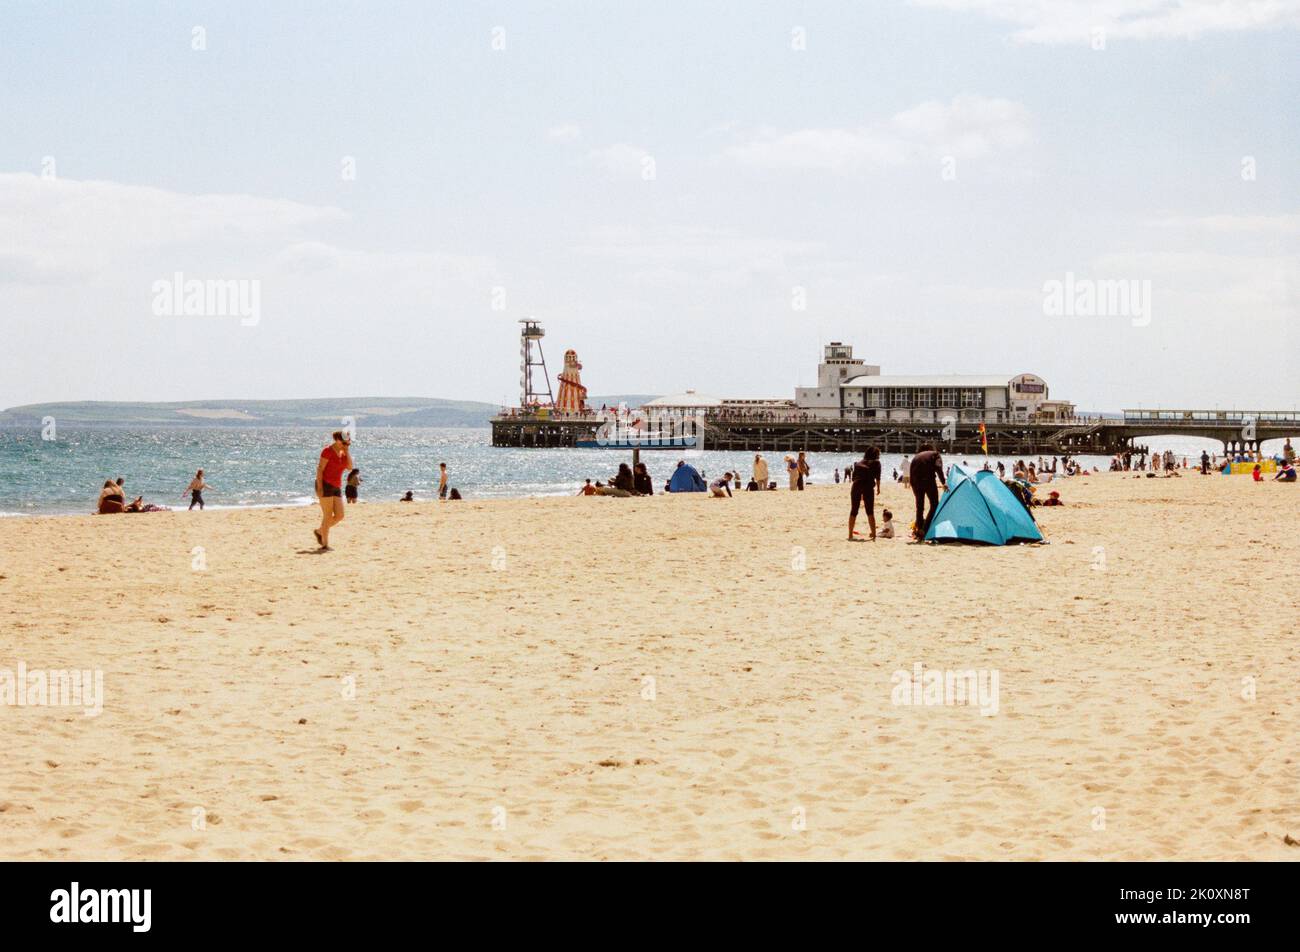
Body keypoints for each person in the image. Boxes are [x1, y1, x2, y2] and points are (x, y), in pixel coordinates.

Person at [315, 430, 353, 550]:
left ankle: (320, 531)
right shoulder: (327, 451)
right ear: (337, 440)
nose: (346, 445)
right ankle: (325, 544)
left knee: (339, 515)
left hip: (336, 486)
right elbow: (320, 469)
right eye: (344, 443)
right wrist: (320, 488)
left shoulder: (343, 453)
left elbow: (350, 467)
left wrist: (347, 451)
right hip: (325, 485)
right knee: (327, 516)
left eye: (348, 443)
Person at [909, 444, 947, 541]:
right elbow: (939, 469)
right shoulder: (936, 454)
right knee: (934, 505)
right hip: (928, 481)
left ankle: (919, 530)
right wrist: (944, 482)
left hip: (915, 482)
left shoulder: (916, 457)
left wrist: (913, 486)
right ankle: (925, 529)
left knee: (919, 507)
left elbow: (911, 473)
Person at [847, 447, 882, 541]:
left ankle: (850, 535)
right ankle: (874, 535)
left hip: (856, 486)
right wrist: (878, 488)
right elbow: (878, 477)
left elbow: (854, 478)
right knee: (870, 511)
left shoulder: (858, 464)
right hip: (868, 487)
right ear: (876, 455)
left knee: (854, 510)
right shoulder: (876, 463)